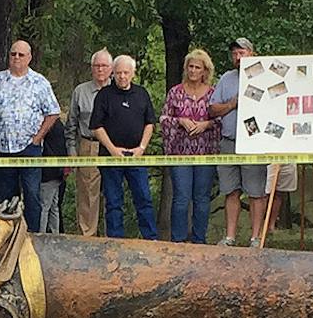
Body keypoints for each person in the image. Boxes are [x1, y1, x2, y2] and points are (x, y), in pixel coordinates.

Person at [0, 38, 62, 229]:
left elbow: (53, 112)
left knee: (32, 194)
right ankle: (6, 234)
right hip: (2, 147)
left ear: (29, 57)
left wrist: (37, 138)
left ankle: (31, 234)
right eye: (13, 54)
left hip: (29, 148)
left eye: (21, 54)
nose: (16, 57)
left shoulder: (40, 82)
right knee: (4, 197)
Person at [92, 54, 157, 238]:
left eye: (126, 73)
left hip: (136, 157)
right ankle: (115, 241)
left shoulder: (142, 94)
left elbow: (150, 123)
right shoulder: (104, 96)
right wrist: (112, 150)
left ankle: (150, 238)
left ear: (133, 74)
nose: (122, 76)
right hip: (111, 157)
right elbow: (97, 127)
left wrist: (142, 148)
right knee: (113, 202)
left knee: (144, 199)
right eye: (118, 73)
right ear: (113, 73)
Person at [159, 47, 219, 243]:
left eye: (197, 67)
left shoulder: (213, 93)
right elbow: (164, 118)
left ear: (205, 71)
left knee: (201, 199)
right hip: (180, 152)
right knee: (181, 198)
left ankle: (199, 240)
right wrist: (180, 121)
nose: (193, 71)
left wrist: (206, 124)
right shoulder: (175, 92)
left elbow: (221, 120)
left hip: (205, 152)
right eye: (190, 67)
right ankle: (178, 240)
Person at [210, 37, 255, 244]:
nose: (237, 57)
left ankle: (256, 237)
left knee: (256, 192)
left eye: (242, 53)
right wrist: (232, 104)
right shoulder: (226, 79)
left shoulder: (263, 75)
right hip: (229, 140)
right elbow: (212, 109)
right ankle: (230, 236)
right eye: (235, 54)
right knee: (230, 190)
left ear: (251, 54)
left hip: (256, 143)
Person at [69, 49, 112, 236]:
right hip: (88, 144)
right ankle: (88, 237)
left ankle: (111, 236)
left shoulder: (118, 90)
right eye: (97, 66)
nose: (100, 69)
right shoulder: (81, 91)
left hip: (114, 148)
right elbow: (70, 124)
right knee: (87, 194)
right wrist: (71, 150)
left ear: (111, 69)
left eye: (104, 66)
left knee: (112, 193)